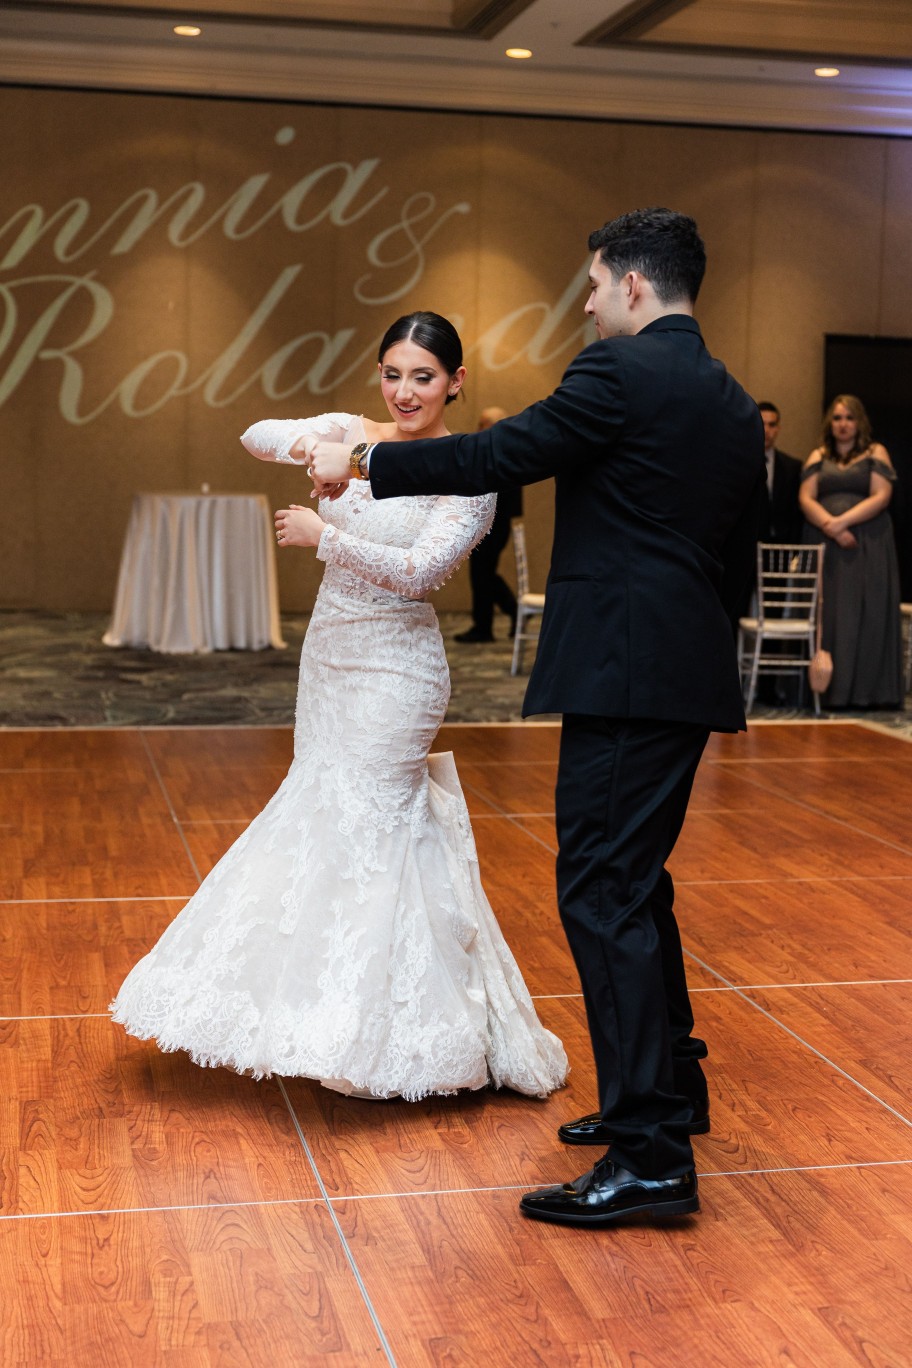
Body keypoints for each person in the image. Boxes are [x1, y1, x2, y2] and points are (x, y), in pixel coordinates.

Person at [311, 208, 766, 1227]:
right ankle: (672, 1093)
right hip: (686, 672)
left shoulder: (616, 374)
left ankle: (649, 1151)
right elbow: (734, 561)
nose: (593, 301)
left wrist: (370, 462)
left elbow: (504, 454)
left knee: (600, 889)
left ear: (636, 288)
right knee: (635, 883)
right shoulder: (735, 405)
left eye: (598, 285)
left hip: (623, 672)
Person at [110, 310, 568, 1102]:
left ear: (456, 383)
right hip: (331, 660)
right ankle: (321, 1013)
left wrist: (328, 528)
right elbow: (254, 432)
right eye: (393, 374)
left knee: (375, 826)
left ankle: (396, 1034)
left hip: (399, 671)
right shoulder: (354, 429)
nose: (404, 392)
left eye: (423, 377)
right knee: (327, 815)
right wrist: (322, 450)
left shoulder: (469, 467)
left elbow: (423, 572)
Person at [799, 394, 903, 709]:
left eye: (849, 418)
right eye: (837, 418)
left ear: (860, 422)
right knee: (828, 614)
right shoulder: (817, 454)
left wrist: (841, 522)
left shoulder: (876, 452)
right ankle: (825, 689)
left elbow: (882, 496)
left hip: (867, 545)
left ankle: (866, 693)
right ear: (829, 423)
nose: (843, 424)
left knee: (867, 613)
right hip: (825, 545)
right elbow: (805, 498)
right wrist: (830, 526)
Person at [454, 406, 522, 643]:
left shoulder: (499, 451)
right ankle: (511, 613)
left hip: (493, 523)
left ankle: (486, 626)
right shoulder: (504, 450)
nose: (478, 428)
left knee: (483, 574)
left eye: (483, 423)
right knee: (485, 574)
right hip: (493, 522)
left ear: (493, 426)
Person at [758, 402, 803, 544]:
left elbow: (796, 511)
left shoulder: (792, 467)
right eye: (762, 424)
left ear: (778, 428)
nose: (766, 430)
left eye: (771, 425)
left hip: (784, 545)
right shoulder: (741, 464)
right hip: (750, 545)